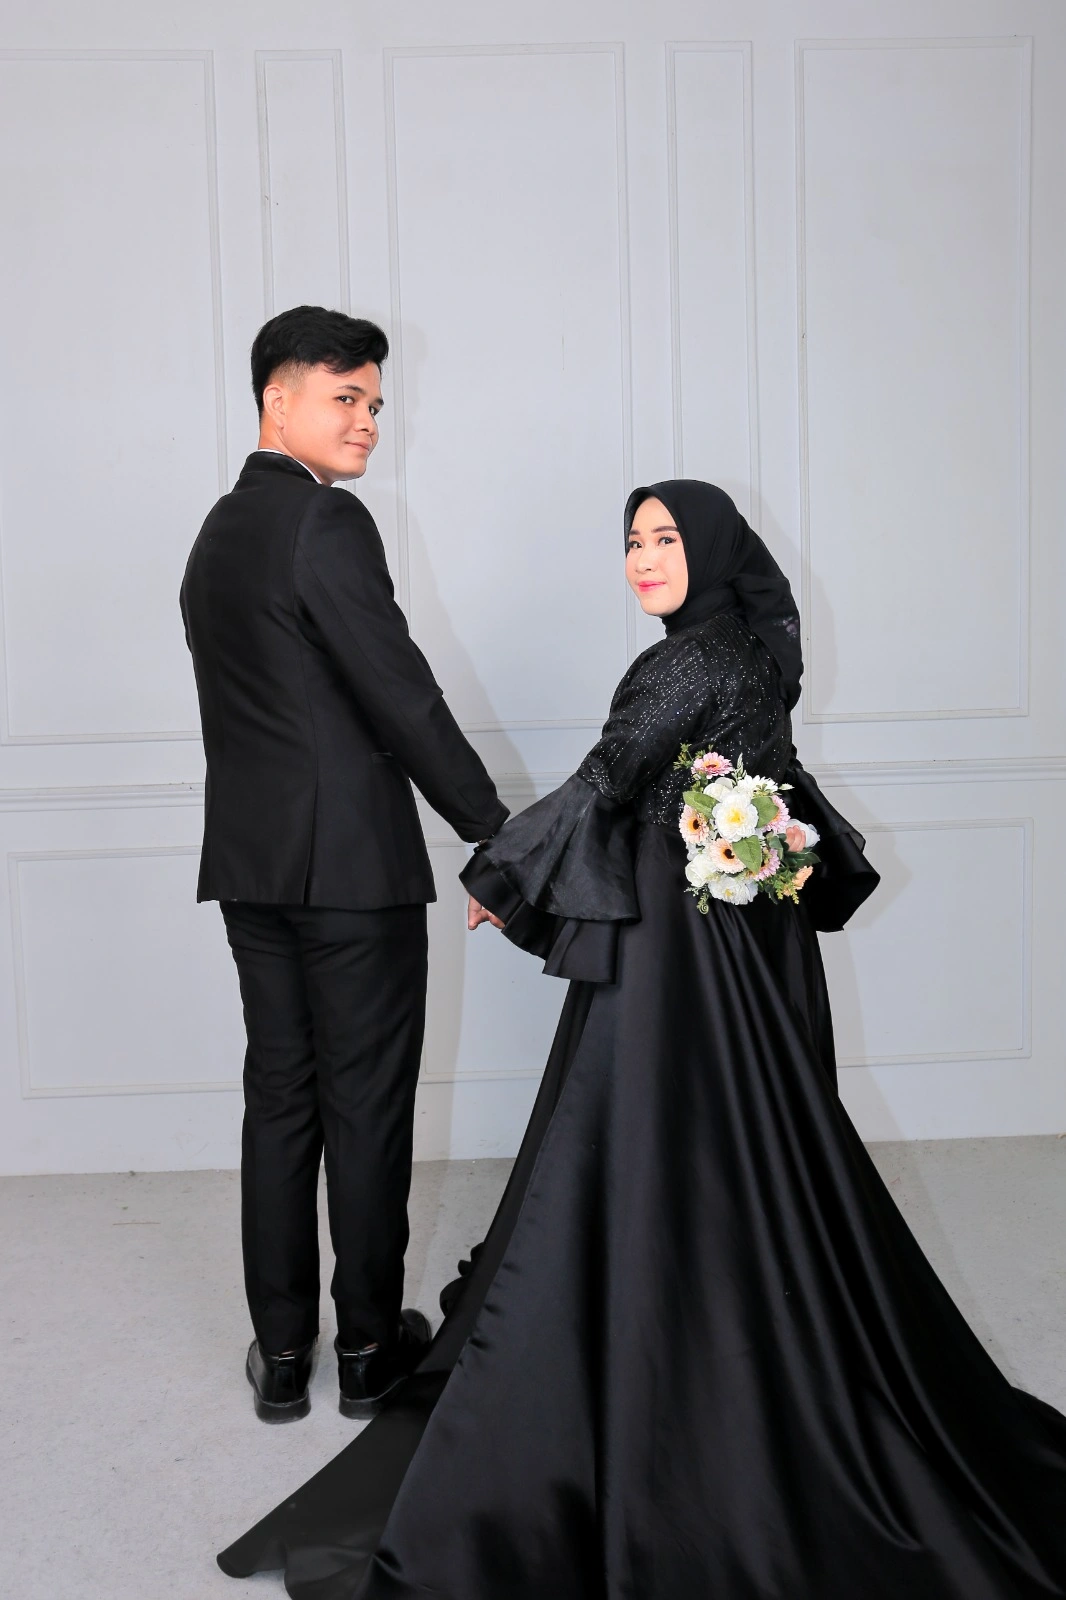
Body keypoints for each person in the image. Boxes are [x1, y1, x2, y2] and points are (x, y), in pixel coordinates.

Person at [217, 481, 1066, 1596]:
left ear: (711, 547)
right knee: (744, 1142)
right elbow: (765, 787)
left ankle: (647, 1333)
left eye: (665, 538)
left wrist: (500, 874)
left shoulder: (680, 664)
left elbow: (608, 778)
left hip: (674, 951)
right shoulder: (755, 653)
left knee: (634, 1133)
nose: (643, 558)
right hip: (749, 943)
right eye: (631, 540)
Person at [180, 305, 508, 1424]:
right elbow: (399, 693)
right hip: (355, 876)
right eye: (345, 398)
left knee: (279, 1100)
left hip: (251, 869)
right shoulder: (327, 522)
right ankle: (367, 1347)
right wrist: (494, 830)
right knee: (363, 1105)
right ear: (277, 399)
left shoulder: (215, 534)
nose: (368, 420)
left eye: (374, 401)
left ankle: (281, 1355)